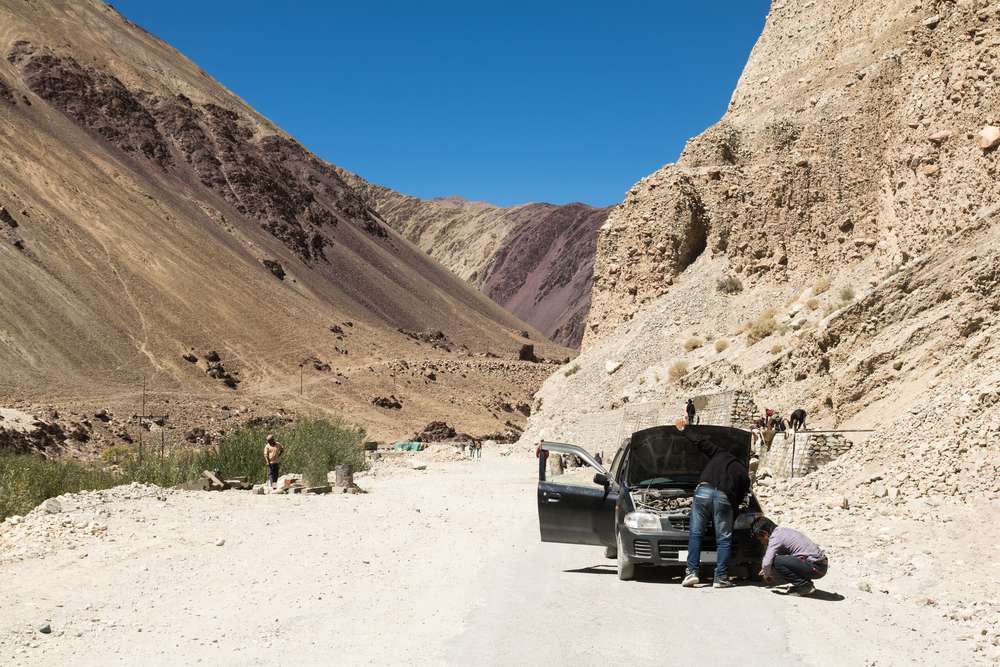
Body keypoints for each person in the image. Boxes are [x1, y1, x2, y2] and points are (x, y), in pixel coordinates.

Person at [675, 418, 750, 589]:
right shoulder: (743, 473)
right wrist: (733, 514)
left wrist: (684, 429)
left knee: (695, 533)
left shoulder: (720, 453)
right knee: (723, 539)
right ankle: (721, 577)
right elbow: (739, 500)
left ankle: (692, 573)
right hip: (724, 498)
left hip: (703, 491)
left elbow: (701, 442)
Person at [752, 516, 828, 597]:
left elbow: (767, 562)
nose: (762, 542)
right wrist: (766, 568)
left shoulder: (775, 537)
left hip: (817, 567)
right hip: (820, 566)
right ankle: (805, 584)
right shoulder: (782, 531)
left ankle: (804, 586)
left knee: (776, 561)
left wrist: (766, 575)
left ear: (765, 534)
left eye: (761, 539)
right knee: (779, 560)